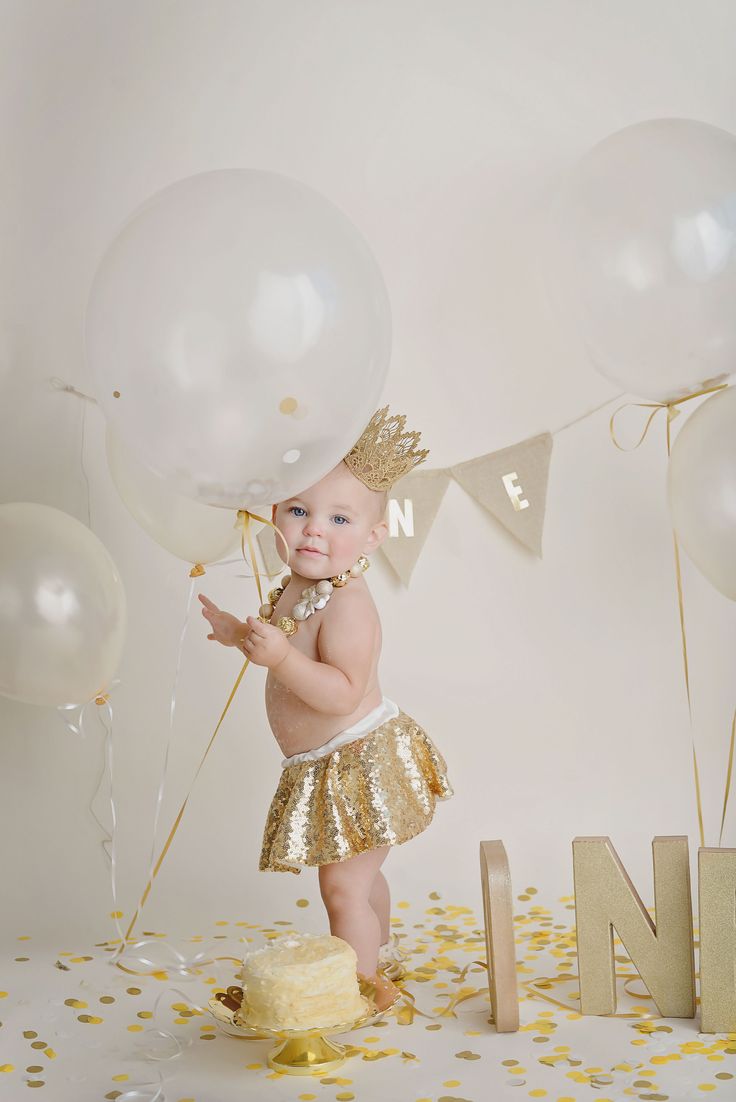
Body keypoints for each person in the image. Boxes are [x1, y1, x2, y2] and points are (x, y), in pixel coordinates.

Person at [198, 406, 454, 1010]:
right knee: (361, 879)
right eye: (300, 511)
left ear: (372, 536)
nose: (315, 530)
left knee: (342, 888)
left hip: (360, 765)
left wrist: (280, 659)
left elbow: (341, 690)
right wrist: (241, 633)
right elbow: (278, 633)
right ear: (274, 515)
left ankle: (354, 991)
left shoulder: (349, 605)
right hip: (327, 766)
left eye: (339, 518)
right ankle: (381, 953)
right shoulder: (300, 584)